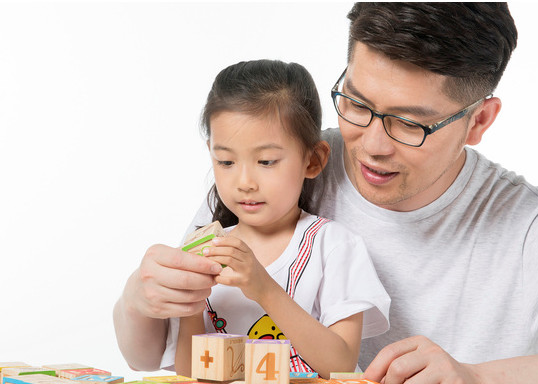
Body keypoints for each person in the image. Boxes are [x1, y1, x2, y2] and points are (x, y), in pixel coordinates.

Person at [114, 3, 538, 383]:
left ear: (478, 121)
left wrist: (474, 377)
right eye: (356, 104)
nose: (372, 147)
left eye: (410, 123)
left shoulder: (529, 224)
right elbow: (159, 349)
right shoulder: (286, 166)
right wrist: (139, 298)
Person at [116, 59, 390, 379]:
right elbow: (191, 373)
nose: (244, 181)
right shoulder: (206, 248)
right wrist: (191, 302)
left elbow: (341, 364)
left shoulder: (333, 246)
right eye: (226, 161)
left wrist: (263, 288)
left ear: (313, 160)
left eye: (266, 161)